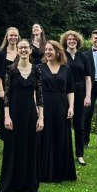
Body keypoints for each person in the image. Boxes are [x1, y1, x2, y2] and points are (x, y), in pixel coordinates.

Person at [0, 39, 44, 192]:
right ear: (17, 50)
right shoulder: (10, 70)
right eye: (20, 48)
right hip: (14, 115)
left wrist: (41, 118)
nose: (23, 50)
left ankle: (30, 186)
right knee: (12, 148)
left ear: (30, 50)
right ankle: (10, 184)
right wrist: (6, 117)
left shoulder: (36, 70)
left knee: (31, 148)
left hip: (31, 115)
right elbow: (7, 96)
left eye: (26, 48)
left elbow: (40, 96)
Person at [37, 40, 76, 183]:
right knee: (44, 135)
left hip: (61, 106)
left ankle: (61, 172)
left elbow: (70, 90)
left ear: (58, 52)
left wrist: (71, 107)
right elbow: (35, 90)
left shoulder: (66, 69)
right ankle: (43, 171)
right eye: (46, 50)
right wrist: (37, 108)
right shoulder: (39, 68)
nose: (47, 52)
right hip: (44, 105)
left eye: (50, 50)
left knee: (60, 136)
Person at [61, 30, 91, 166]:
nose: (72, 41)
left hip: (80, 93)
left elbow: (88, 78)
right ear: (65, 41)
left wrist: (88, 96)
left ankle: (79, 154)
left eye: (74, 39)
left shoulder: (83, 57)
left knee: (79, 125)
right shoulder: (61, 55)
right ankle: (65, 153)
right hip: (63, 92)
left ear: (77, 42)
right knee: (64, 123)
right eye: (69, 39)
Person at [0, 27, 20, 139]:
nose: (13, 37)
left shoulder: (21, 52)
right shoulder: (1, 53)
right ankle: (6, 140)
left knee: (16, 114)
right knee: (5, 116)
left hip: (19, 89)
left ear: (18, 37)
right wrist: (1, 90)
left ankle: (16, 138)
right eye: (11, 35)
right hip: (5, 89)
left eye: (15, 35)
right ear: (7, 37)